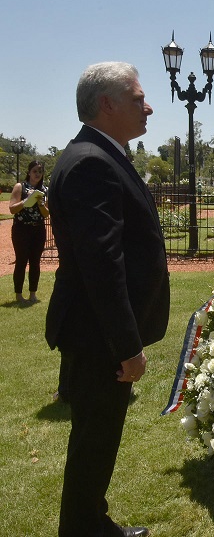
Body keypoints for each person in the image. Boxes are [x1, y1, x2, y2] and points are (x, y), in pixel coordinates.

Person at [45, 62, 170, 537]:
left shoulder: (98, 155)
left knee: (96, 444)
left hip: (96, 333)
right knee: (94, 444)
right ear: (107, 104)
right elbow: (103, 265)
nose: (149, 106)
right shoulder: (93, 163)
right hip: (100, 338)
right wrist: (127, 346)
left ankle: (90, 524)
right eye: (139, 98)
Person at [9, 160, 50, 304]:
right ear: (29, 172)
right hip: (21, 229)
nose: (37, 174)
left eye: (40, 171)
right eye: (35, 171)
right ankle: (19, 295)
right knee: (21, 261)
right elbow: (12, 208)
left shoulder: (44, 190)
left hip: (38, 229)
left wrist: (40, 204)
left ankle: (33, 294)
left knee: (35, 262)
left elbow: (46, 214)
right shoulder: (20, 187)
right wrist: (26, 201)